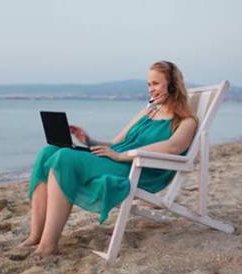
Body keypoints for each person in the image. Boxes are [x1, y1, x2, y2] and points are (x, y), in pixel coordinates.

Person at [22, 61, 198, 256]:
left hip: (138, 169)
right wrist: (88, 140)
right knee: (49, 151)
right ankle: (35, 235)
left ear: (172, 85)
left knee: (64, 158)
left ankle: (48, 245)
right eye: (149, 84)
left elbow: (173, 147)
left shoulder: (186, 122)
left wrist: (123, 156)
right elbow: (115, 144)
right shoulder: (148, 112)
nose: (151, 90)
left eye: (155, 84)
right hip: (118, 159)